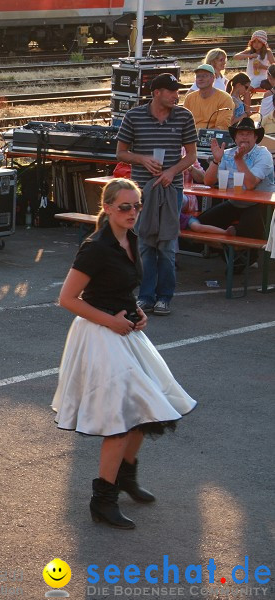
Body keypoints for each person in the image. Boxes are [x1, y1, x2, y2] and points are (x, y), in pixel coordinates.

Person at [52, 178, 196, 530]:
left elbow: (122, 287)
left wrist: (136, 311)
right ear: (106, 208)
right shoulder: (96, 247)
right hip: (100, 337)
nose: (132, 212)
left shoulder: (130, 238)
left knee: (146, 406)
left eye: (136, 206)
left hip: (125, 331)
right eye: (124, 207)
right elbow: (67, 299)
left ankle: (125, 476)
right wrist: (110, 321)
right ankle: (102, 500)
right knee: (120, 418)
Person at [116, 73, 198, 316]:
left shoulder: (184, 116)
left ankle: (165, 297)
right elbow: (120, 153)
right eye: (171, 91)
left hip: (170, 188)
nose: (177, 95)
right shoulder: (134, 116)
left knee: (167, 245)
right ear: (156, 93)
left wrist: (172, 172)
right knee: (145, 243)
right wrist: (142, 159)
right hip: (141, 190)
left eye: (177, 91)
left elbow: (192, 156)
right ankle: (146, 296)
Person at [199, 117, 275, 268]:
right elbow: (207, 182)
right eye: (241, 134)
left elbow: (250, 184)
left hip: (260, 204)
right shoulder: (227, 153)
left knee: (244, 229)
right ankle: (229, 251)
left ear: (255, 138)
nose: (244, 137)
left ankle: (242, 257)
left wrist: (239, 160)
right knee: (200, 223)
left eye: (248, 134)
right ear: (235, 137)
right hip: (235, 202)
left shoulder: (263, 154)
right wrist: (216, 161)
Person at [183, 64, 235, 132]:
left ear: (213, 78)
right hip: (191, 137)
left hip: (214, 138)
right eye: (198, 76)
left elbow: (222, 127)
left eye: (204, 76)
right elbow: (184, 123)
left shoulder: (224, 98)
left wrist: (202, 135)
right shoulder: (189, 98)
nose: (201, 79)